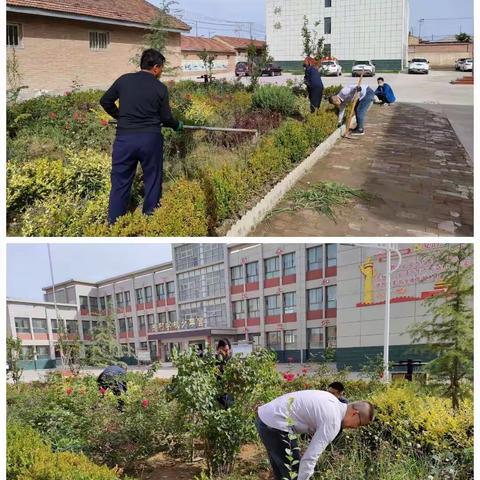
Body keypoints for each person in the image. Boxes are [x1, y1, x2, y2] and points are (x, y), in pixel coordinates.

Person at [100, 48, 184, 225]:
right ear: (155, 67)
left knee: (120, 181)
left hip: (125, 140)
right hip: (149, 140)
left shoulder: (124, 81)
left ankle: (114, 224)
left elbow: (105, 101)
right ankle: (150, 219)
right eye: (161, 68)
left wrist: (121, 116)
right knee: (152, 179)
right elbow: (166, 118)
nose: (161, 72)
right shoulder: (160, 88)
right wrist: (177, 125)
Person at [256, 390, 374, 480]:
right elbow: (310, 458)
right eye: (359, 424)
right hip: (276, 424)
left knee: (284, 475)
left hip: (266, 419)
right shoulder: (333, 421)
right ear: (354, 413)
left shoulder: (331, 400)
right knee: (295, 473)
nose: (354, 428)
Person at [215, 339, 233, 408]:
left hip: (228, 392)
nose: (227, 352)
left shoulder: (229, 359)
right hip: (218, 392)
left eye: (228, 350)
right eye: (225, 350)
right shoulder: (215, 360)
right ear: (219, 349)